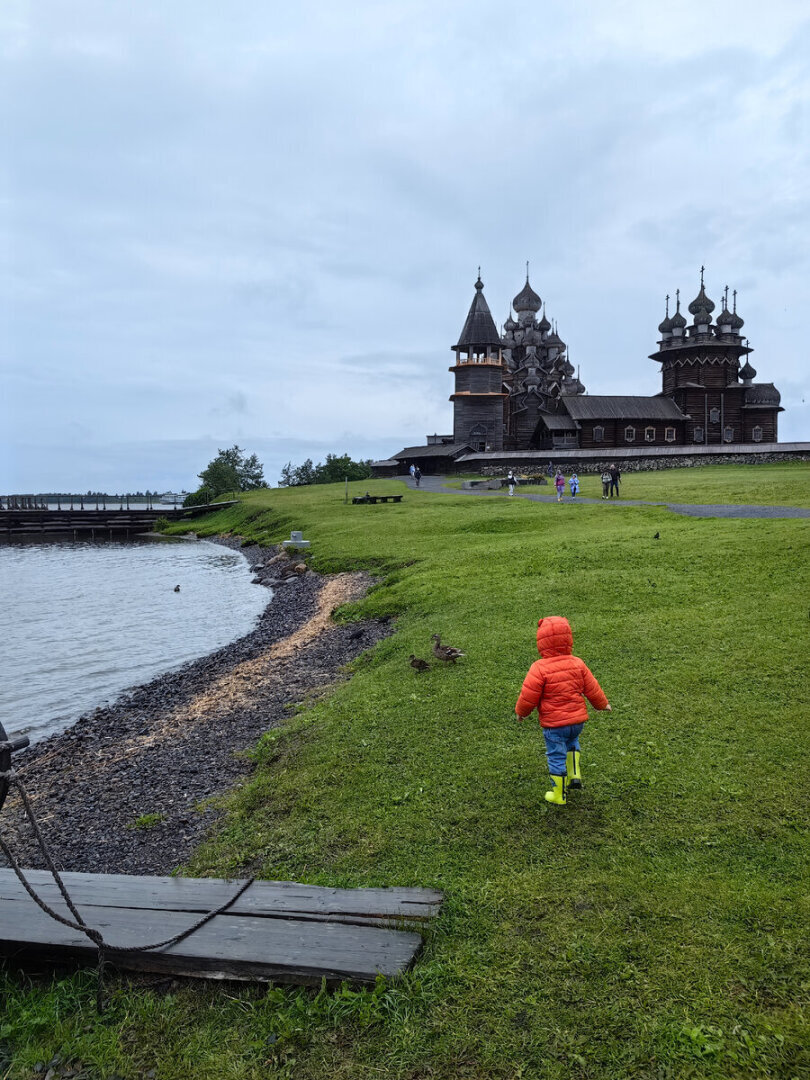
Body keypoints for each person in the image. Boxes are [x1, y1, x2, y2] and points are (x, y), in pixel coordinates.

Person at [515, 615, 611, 806]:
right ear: (568, 639)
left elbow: (529, 695)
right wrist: (602, 704)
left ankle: (559, 794)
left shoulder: (539, 668)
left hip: (554, 725)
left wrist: (521, 712)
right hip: (577, 722)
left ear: (541, 642)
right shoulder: (577, 663)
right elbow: (592, 688)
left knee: (555, 754)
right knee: (573, 742)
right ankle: (574, 775)